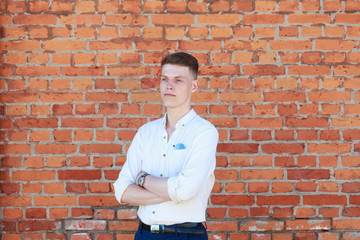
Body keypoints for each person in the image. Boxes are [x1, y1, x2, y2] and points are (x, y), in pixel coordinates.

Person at [113, 52, 218, 240]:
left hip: (185, 234)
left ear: (194, 86)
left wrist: (143, 180)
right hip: (145, 234)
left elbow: (185, 190)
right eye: (164, 79)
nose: (169, 86)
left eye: (178, 80)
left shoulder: (204, 132)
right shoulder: (146, 132)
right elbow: (122, 190)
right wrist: (176, 192)